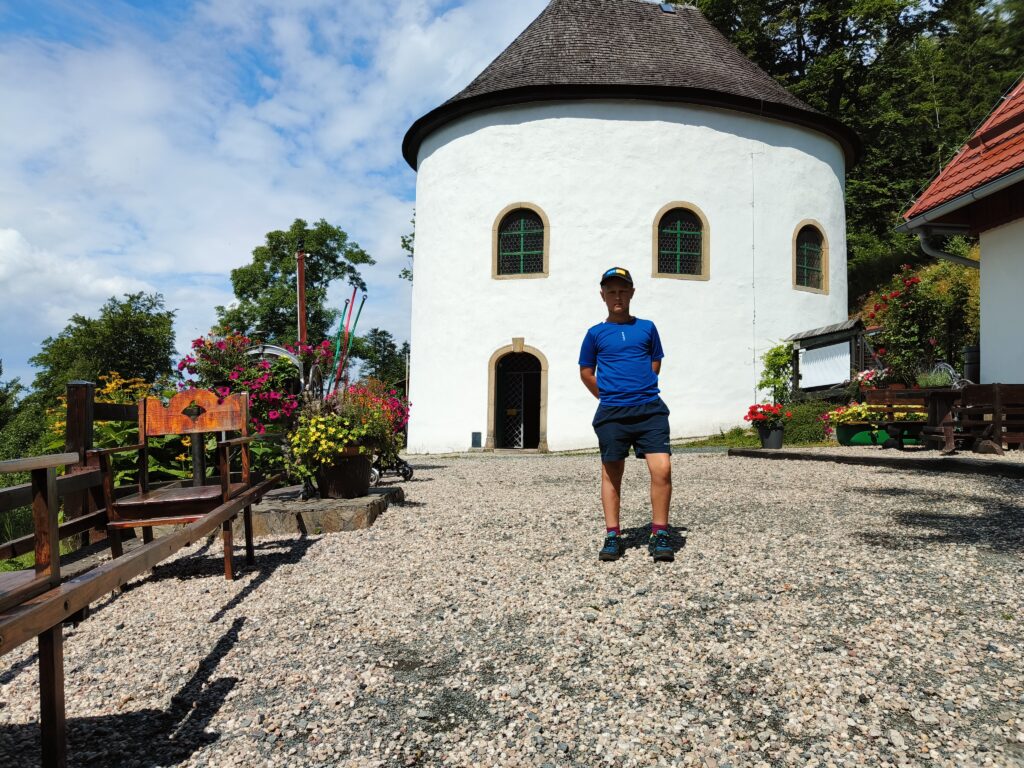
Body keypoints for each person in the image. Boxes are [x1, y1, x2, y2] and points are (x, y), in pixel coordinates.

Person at [579, 267, 673, 562]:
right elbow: (586, 372)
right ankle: (612, 536)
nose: (617, 296)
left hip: (649, 409)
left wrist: (641, 387)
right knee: (611, 473)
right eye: (611, 291)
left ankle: (659, 533)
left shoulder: (647, 327)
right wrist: (608, 396)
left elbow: (655, 361)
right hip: (612, 413)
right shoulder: (595, 334)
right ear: (603, 296)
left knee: (662, 469)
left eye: (622, 290)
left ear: (631, 293)